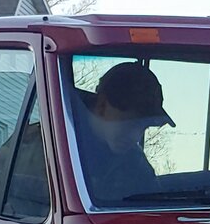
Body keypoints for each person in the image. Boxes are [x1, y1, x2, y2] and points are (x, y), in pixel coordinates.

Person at [74, 61, 173, 203]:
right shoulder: (49, 147)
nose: (135, 137)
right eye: (130, 124)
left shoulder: (136, 163)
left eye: (143, 127)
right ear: (102, 105)